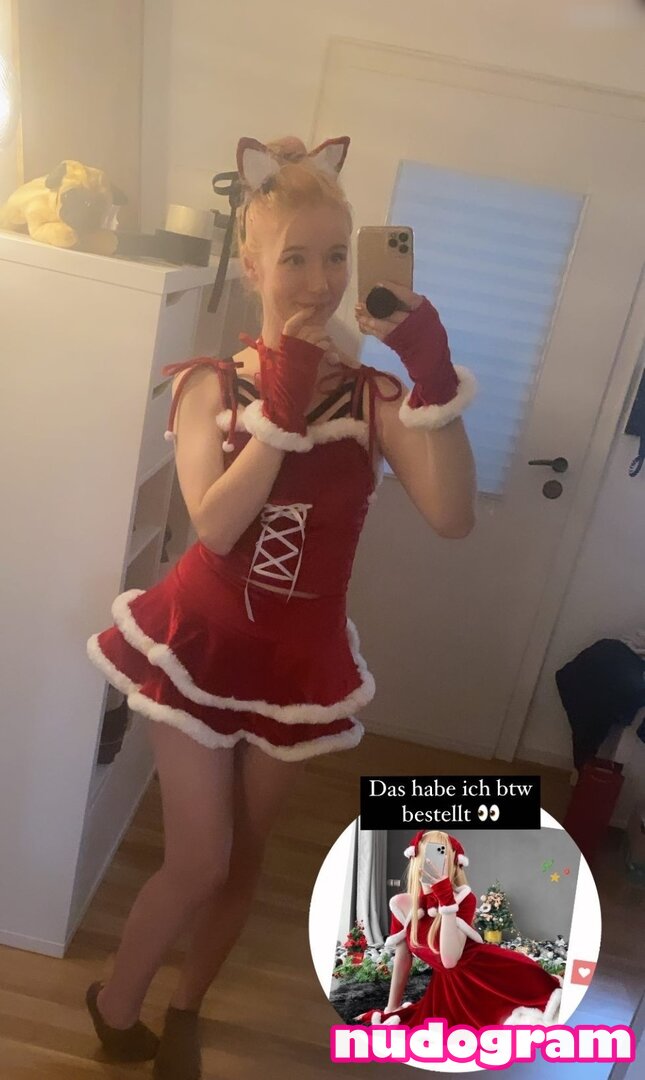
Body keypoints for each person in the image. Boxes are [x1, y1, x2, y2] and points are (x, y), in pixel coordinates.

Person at [84, 133, 478, 1078]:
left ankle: (186, 1007)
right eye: (294, 257)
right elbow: (216, 527)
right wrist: (283, 409)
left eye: (335, 255)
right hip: (197, 642)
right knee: (200, 859)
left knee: (246, 858)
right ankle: (115, 1003)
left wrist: (433, 380)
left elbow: (453, 516)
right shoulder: (209, 384)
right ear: (254, 265)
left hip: (299, 663)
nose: (319, 279)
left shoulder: (376, 397)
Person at [355, 830, 563, 1028]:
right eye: (428, 853)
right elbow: (403, 958)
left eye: (441, 855)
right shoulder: (401, 905)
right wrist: (392, 1008)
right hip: (449, 988)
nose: (433, 861)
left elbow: (449, 959)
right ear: (415, 858)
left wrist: (446, 901)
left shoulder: (463, 899)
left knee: (534, 1011)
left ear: (453, 865)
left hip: (491, 974)